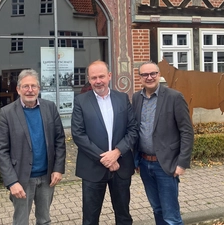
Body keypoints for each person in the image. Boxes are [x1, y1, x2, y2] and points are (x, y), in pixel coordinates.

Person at [71, 60, 138, 225]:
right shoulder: (81, 101)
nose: (98, 81)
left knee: (123, 216)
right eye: (94, 78)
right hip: (93, 168)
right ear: (89, 79)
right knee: (90, 219)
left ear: (109, 76)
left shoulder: (122, 98)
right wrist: (105, 159)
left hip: (121, 166)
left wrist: (116, 153)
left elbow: (133, 130)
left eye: (101, 76)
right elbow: (78, 134)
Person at [0, 69, 66, 225]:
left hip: (47, 177)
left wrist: (58, 168)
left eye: (33, 86)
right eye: (25, 86)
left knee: (44, 219)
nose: (30, 90)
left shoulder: (50, 108)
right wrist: (11, 181)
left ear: (39, 88)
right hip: (21, 179)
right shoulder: (7, 113)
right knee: (21, 221)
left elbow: (59, 140)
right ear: (18, 89)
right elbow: (2, 150)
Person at [132, 61, 194, 225]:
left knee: (171, 215)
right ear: (140, 78)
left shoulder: (174, 97)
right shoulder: (136, 98)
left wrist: (182, 163)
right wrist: (136, 159)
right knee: (157, 209)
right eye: (145, 74)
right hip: (145, 164)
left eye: (153, 73)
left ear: (159, 75)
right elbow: (136, 130)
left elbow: (186, 131)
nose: (149, 77)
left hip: (166, 165)